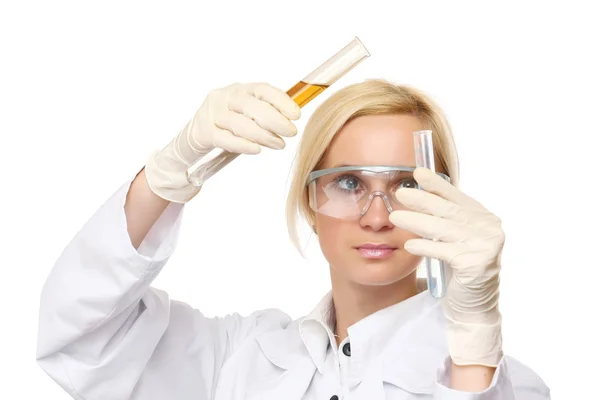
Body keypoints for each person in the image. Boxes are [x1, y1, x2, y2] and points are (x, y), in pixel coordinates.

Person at [36, 80, 550, 399]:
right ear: (310, 201)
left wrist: (476, 337)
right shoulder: (242, 360)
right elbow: (83, 335)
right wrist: (167, 173)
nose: (376, 216)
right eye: (349, 183)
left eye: (406, 186)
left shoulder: (501, 383)